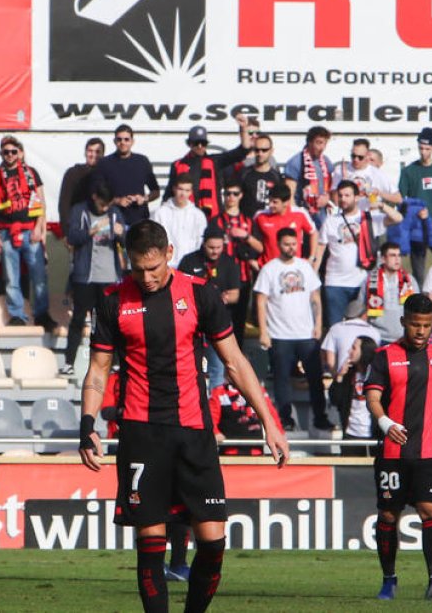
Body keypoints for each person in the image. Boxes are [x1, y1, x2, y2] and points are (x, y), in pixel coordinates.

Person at [77, 220, 290, 613]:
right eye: (139, 269)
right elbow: (98, 370)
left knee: (212, 541)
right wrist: (87, 425)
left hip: (193, 431)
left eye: (154, 269)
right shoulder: (112, 300)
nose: (147, 277)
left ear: (169, 254)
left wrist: (269, 424)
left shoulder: (199, 294)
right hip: (142, 432)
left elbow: (235, 362)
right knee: (151, 545)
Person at [364, 294, 432, 601]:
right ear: (404, 322)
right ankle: (389, 580)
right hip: (393, 452)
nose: (421, 331)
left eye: (427, 325)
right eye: (416, 324)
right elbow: (373, 397)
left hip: (428, 451)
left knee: (431, 510)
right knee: (389, 515)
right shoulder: (384, 356)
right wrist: (385, 422)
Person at [255, 228, 329, 431]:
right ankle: (285, 419)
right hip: (279, 334)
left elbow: (315, 298)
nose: (291, 248)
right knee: (282, 379)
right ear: (279, 244)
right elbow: (261, 302)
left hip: (306, 334)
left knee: (315, 378)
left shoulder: (305, 267)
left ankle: (320, 417)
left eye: (294, 244)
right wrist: (263, 331)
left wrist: (318, 324)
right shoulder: (269, 269)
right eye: (287, 244)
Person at [0, 136, 54, 330]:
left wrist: (40, 228)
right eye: (6, 152)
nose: (10, 155)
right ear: (1, 153)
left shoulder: (32, 174)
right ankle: (16, 315)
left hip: (31, 232)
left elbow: (41, 204)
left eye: (13, 151)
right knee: (11, 278)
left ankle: (42, 314)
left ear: (20, 153)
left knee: (39, 276)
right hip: (6, 233)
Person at [62, 183, 126, 376]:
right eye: (102, 204)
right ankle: (69, 362)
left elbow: (126, 241)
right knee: (79, 319)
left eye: (108, 205)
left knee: (109, 321)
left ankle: (114, 362)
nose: (105, 209)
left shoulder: (115, 213)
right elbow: (71, 237)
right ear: (94, 197)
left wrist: (122, 233)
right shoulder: (80, 211)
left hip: (109, 277)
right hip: (85, 278)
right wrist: (90, 231)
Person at [319, 180, 389, 327]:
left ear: (357, 198)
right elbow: (319, 252)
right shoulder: (330, 221)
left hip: (362, 281)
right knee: (336, 327)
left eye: (347, 195)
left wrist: (382, 205)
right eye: (340, 195)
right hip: (335, 282)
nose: (343, 199)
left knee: (362, 327)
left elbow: (397, 218)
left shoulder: (368, 219)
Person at [179, 227, 241, 390]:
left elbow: (235, 294)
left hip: (219, 322)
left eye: (218, 248)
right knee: (191, 367)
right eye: (211, 247)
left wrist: (219, 299)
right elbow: (179, 290)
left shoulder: (229, 262)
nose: (215, 251)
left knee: (218, 368)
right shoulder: (189, 261)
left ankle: (216, 407)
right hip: (193, 323)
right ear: (203, 244)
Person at [164, 117, 252, 219]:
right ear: (189, 144)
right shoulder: (177, 165)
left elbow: (243, 150)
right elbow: (169, 193)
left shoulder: (215, 161)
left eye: (203, 143)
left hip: (211, 217)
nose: (200, 146)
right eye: (196, 143)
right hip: (185, 216)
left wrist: (243, 128)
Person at [399, 128, 432, 284]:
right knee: (418, 268)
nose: (423, 152)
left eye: (427, 149)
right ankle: (422, 301)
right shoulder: (409, 171)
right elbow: (402, 199)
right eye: (421, 148)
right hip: (417, 226)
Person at [210, 178, 261, 334]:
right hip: (221, 276)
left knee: (239, 321)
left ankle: (237, 353)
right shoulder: (216, 220)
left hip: (243, 276)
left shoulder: (248, 221)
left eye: (235, 194)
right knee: (218, 319)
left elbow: (260, 247)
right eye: (227, 193)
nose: (230, 197)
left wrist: (245, 236)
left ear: (241, 196)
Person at [94, 124, 160, 226]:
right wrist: (117, 201)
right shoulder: (104, 163)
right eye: (119, 139)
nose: (122, 143)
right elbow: (97, 195)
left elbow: (156, 191)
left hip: (140, 221)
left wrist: (143, 199)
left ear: (132, 141)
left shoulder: (142, 161)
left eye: (126, 139)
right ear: (114, 141)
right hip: (113, 222)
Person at [330, 335, 379, 456]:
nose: (349, 351)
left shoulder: (378, 375)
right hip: (351, 434)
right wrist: (340, 377)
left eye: (353, 348)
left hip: (374, 435)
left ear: (364, 352)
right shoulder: (349, 374)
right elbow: (335, 400)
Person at [208, 382, 285, 457]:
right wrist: (215, 432)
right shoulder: (219, 392)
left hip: (256, 450)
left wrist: (279, 432)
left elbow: (271, 414)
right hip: (229, 451)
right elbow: (211, 417)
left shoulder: (259, 390)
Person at [252, 182, 318, 268]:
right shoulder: (260, 216)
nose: (270, 205)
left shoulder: (300, 213)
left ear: (286, 202)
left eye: (275, 202)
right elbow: (251, 238)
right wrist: (252, 261)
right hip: (269, 268)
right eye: (270, 201)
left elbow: (313, 233)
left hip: (293, 268)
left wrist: (311, 257)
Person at [366, 242, 419, 344]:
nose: (397, 259)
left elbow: (416, 309)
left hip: (403, 337)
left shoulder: (409, 280)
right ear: (383, 259)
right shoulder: (370, 280)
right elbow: (362, 308)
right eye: (392, 255)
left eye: (399, 255)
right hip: (378, 337)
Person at [151, 174, 208, 268]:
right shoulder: (160, 213)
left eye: (187, 190)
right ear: (174, 189)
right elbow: (155, 241)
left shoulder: (198, 215)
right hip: (167, 265)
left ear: (191, 192)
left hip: (190, 266)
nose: (183, 194)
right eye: (180, 189)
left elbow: (200, 241)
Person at [283, 125, 335, 226]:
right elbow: (289, 195)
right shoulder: (296, 162)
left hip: (321, 216)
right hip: (303, 213)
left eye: (324, 143)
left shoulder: (325, 161)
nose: (322, 147)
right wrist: (296, 217)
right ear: (309, 142)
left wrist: (327, 197)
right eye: (319, 143)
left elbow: (331, 188)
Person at [336, 138, 401, 212]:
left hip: (369, 217)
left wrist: (379, 193)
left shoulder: (377, 173)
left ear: (367, 156)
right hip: (347, 217)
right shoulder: (341, 170)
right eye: (353, 156)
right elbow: (334, 199)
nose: (356, 159)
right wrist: (344, 181)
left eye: (360, 157)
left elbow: (398, 198)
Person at [57, 137, 106, 235]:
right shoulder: (73, 173)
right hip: (79, 226)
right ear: (85, 153)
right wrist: (67, 232)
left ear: (103, 154)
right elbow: (64, 204)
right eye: (90, 151)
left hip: (102, 226)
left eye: (97, 151)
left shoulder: (107, 173)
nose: (93, 155)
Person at [321, 299, 379, 379]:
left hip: (345, 380)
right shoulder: (374, 332)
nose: (349, 351)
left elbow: (329, 360)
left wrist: (337, 376)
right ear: (365, 315)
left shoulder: (335, 328)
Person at [238, 132, 283, 218]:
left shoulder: (277, 177)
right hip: (248, 224)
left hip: (269, 223)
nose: (260, 153)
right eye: (257, 150)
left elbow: (282, 204)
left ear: (271, 151)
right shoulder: (244, 174)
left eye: (264, 150)